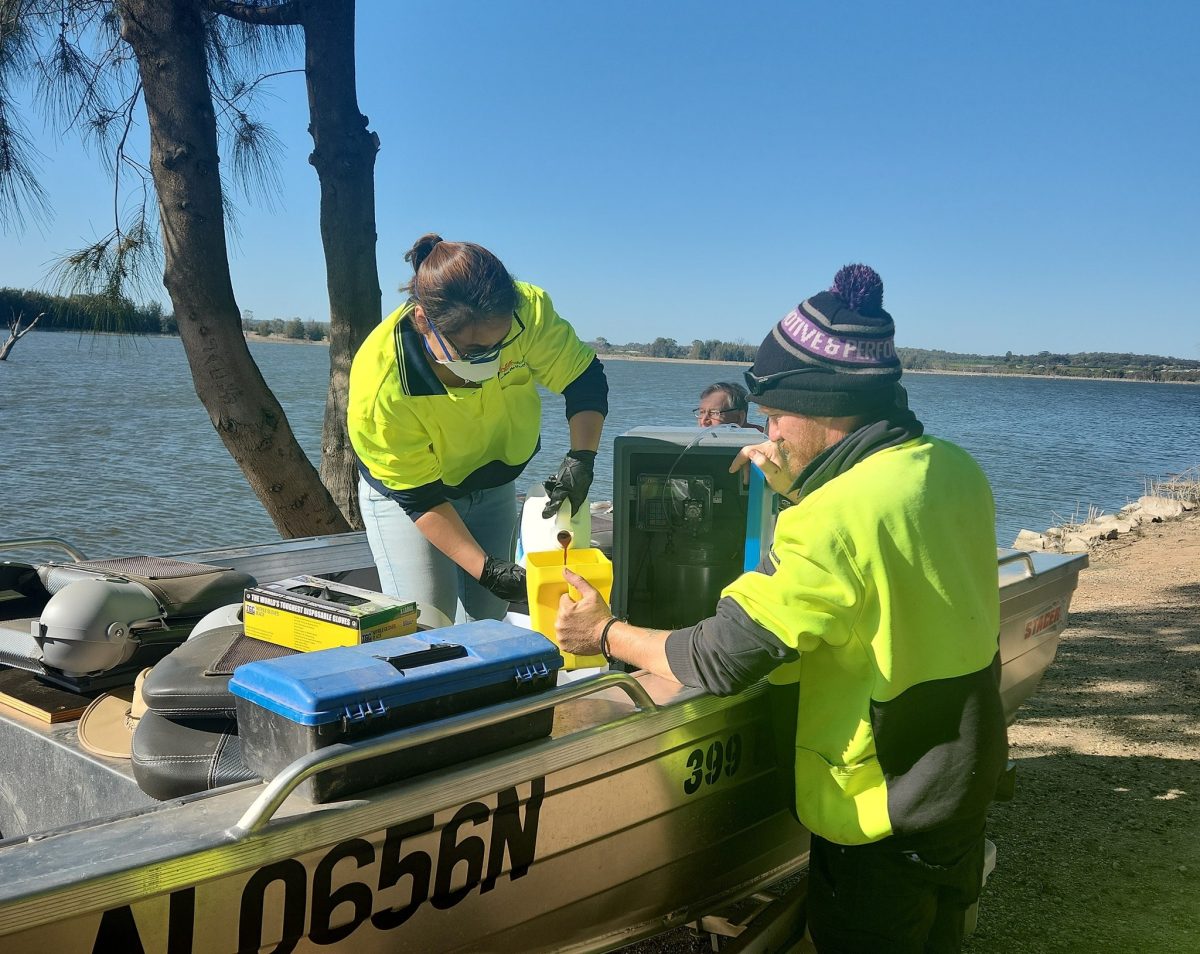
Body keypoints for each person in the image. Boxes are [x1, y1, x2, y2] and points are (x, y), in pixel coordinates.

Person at [556, 265, 1006, 953]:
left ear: (822, 405)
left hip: (878, 807)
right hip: (958, 776)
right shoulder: (952, 467)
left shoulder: (834, 518)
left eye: (771, 416)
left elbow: (720, 654)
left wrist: (605, 632)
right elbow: (875, 577)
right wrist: (799, 488)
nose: (766, 432)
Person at [349, 234, 608, 624]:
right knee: (425, 625)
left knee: (488, 622)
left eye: (501, 344)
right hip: (415, 501)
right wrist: (486, 568)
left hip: (492, 484)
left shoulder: (527, 311)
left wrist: (581, 459)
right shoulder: (381, 386)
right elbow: (419, 499)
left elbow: (584, 380)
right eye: (472, 352)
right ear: (423, 321)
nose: (491, 357)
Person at [693, 381, 764, 431]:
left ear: (739, 418)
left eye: (714, 413)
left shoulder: (764, 445)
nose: (703, 421)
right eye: (701, 412)